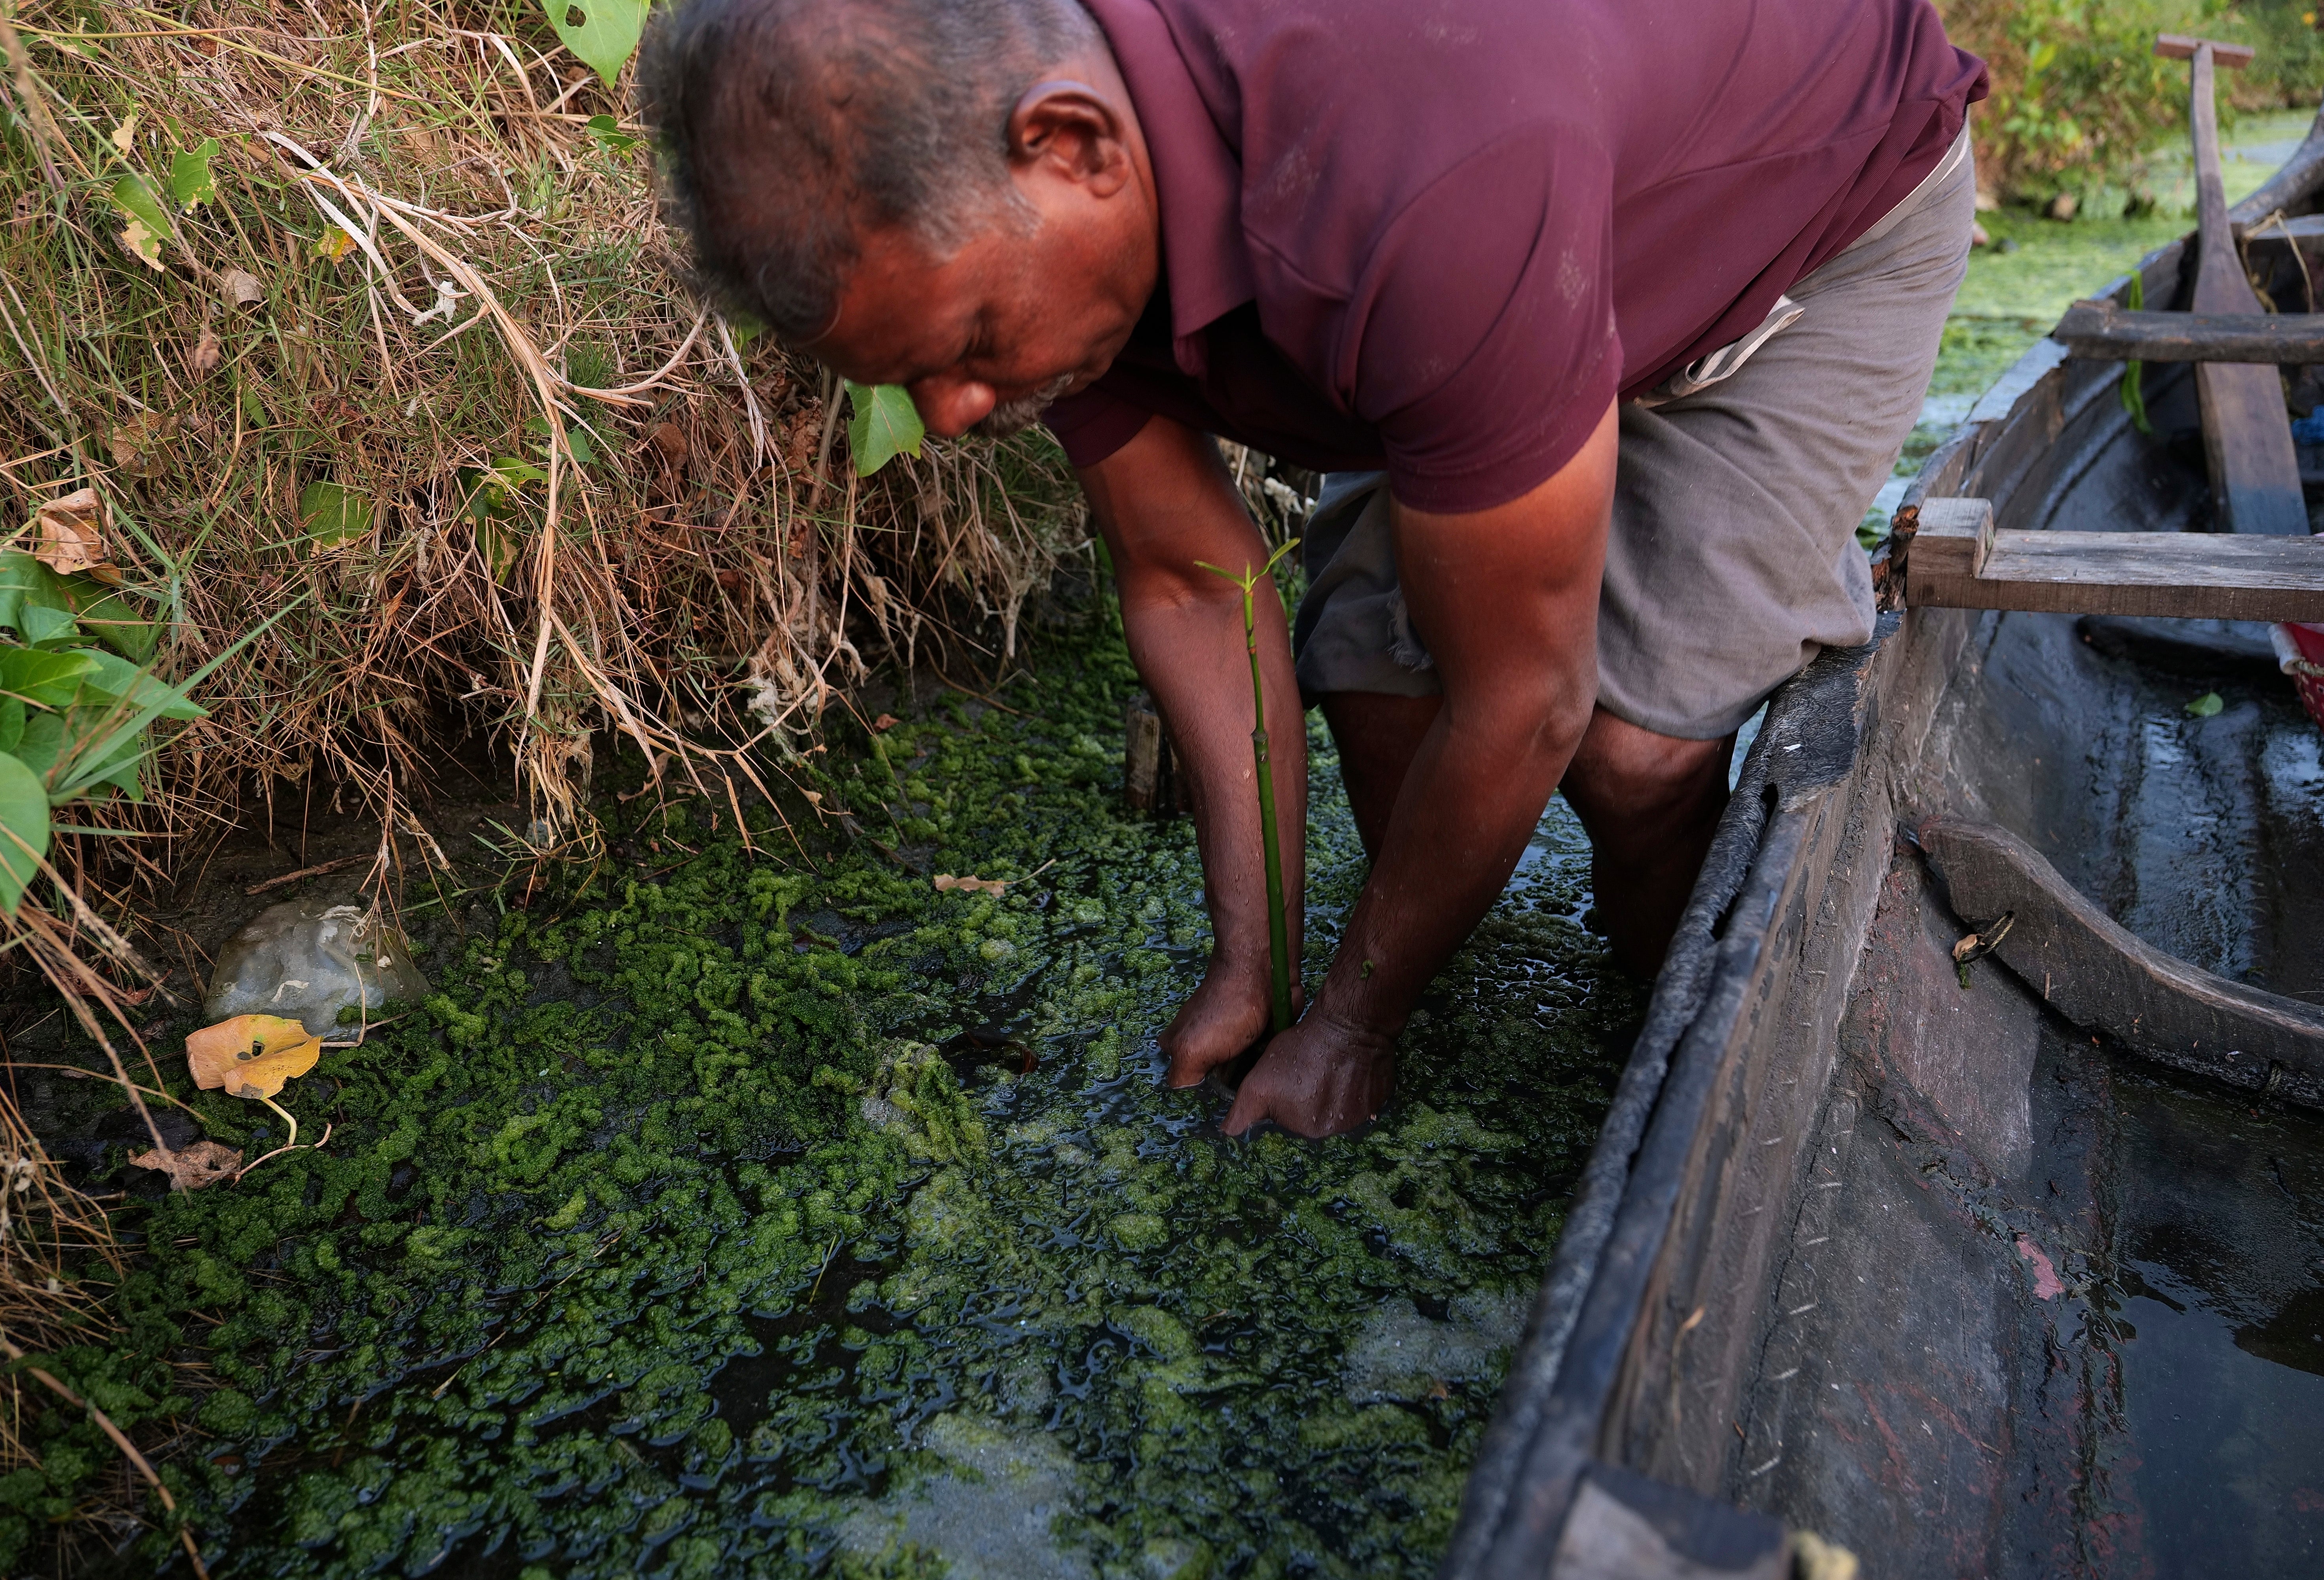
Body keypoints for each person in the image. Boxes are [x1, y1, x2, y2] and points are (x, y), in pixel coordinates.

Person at [640, 0, 1986, 1138]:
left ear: (1073, 146)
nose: (950, 414)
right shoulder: (1043, 223)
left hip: (1796, 230)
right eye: (916, 375)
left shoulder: (1419, 176)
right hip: (1494, 276)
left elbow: (1528, 701)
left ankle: (1659, 1067)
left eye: (975, 344)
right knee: (1384, 705)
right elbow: (1185, 577)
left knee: (1634, 760)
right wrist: (1261, 963)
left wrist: (1352, 1020)